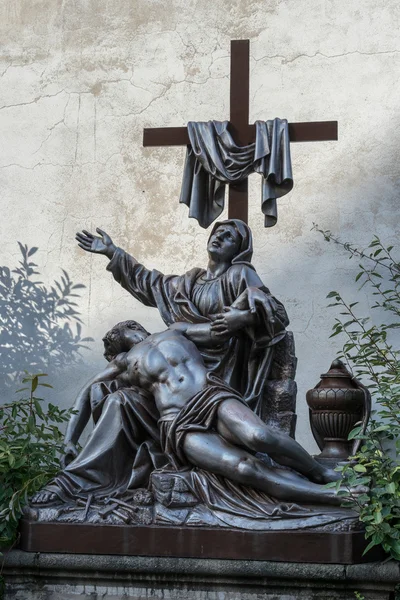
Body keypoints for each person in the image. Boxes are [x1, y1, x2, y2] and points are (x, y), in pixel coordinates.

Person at [34, 320, 354, 507]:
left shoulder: (176, 330)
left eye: (130, 324)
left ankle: (320, 473)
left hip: (210, 397)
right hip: (179, 424)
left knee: (260, 436)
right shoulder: (122, 363)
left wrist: (242, 317)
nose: (130, 326)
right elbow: (85, 396)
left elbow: (217, 331)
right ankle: (337, 499)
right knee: (243, 467)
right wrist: (69, 440)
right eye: (122, 329)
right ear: (116, 344)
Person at [75, 220, 289, 417]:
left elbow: (277, 313)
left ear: (238, 250)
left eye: (229, 237)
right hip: (179, 366)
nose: (220, 238)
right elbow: (149, 282)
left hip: (223, 370)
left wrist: (242, 318)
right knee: (122, 397)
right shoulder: (186, 284)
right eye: (218, 232)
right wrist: (113, 253)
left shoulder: (240, 273)